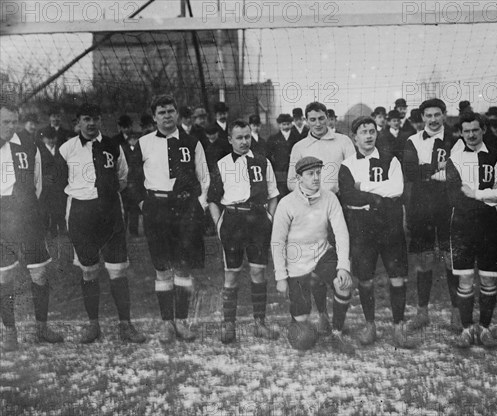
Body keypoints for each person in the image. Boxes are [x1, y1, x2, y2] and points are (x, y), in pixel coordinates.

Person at [60, 103, 145, 344]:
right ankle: (93, 325)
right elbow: (58, 180)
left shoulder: (112, 145)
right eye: (86, 119)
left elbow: (122, 177)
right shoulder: (67, 148)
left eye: (95, 119)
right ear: (78, 121)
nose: (91, 123)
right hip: (80, 213)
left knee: (117, 269)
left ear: (100, 121)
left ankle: (125, 325)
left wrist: (105, 194)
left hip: (109, 212)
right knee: (88, 271)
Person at [130, 95, 210, 344]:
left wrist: (200, 205)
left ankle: (182, 321)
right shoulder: (143, 143)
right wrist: (145, 205)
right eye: (162, 112)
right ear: (154, 116)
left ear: (177, 114)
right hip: (157, 209)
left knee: (183, 266)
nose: (167, 116)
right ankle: (166, 323)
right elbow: (132, 180)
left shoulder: (192, 142)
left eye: (171, 111)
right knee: (162, 268)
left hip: (185, 208)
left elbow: (205, 178)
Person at [338, 117, 414, 348]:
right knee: (366, 278)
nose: (369, 136)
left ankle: (398, 327)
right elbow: (348, 195)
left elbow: (397, 189)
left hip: (390, 225)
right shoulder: (348, 165)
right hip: (362, 228)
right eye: (364, 132)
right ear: (355, 137)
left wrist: (365, 188)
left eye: (372, 131)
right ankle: (370, 325)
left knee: (397, 276)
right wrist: (376, 195)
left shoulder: (390, 160)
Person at [272, 156, 355, 354]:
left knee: (344, 283)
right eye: (310, 174)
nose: (316, 177)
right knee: (303, 340)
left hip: (322, 254)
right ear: (299, 177)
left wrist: (343, 266)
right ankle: (302, 322)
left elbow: (342, 232)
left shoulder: (330, 198)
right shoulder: (286, 204)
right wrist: (281, 277)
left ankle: (336, 333)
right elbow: (277, 242)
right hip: (297, 264)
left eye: (318, 172)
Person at [208, 120, 280, 344]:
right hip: (232, 220)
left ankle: (259, 323)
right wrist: (219, 224)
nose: (244, 141)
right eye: (239, 137)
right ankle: (229, 324)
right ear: (230, 139)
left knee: (258, 272)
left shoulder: (262, 161)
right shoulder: (222, 164)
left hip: (258, 220)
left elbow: (273, 194)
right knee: (232, 273)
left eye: (247, 136)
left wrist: (270, 217)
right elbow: (212, 199)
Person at [0, 103, 64, 352]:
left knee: (39, 272)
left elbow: (37, 182)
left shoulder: (28, 144)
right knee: (4, 275)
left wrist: (27, 207)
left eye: (12, 121)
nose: (10, 127)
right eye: (4, 122)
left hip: (26, 215)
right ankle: (10, 331)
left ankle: (42, 327)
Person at [445, 112, 497, 348]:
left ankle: (484, 328)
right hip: (461, 224)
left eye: (475, 129)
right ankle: (465, 329)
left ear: (483, 129)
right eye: (466, 131)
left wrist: (476, 193)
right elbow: (453, 196)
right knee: (464, 278)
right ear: (461, 133)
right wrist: (487, 195)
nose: (471, 134)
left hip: (489, 224)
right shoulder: (454, 159)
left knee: (488, 279)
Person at [403, 98, 461, 332]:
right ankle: (422, 313)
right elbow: (410, 171)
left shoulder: (456, 141)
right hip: (421, 204)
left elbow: (456, 173)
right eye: (429, 115)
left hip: (448, 203)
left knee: (451, 258)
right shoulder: (412, 140)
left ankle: (457, 313)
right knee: (424, 259)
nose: (433, 119)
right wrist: (436, 169)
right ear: (422, 118)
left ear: (444, 115)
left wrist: (425, 170)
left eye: (437, 115)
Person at [287, 102, 355, 194]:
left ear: (327, 117)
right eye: (313, 120)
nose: (318, 124)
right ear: (306, 121)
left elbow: (354, 172)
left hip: (339, 198)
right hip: (310, 200)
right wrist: (310, 192)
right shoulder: (299, 147)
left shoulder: (344, 141)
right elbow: (291, 181)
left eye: (321, 118)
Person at [37, 129, 68, 238]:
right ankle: (45, 229)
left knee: (59, 208)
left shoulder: (61, 151)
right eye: (47, 138)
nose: (50, 140)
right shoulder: (39, 151)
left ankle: (57, 228)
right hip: (45, 187)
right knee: (44, 209)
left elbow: (65, 168)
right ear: (43, 138)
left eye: (53, 137)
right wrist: (42, 179)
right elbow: (36, 169)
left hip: (59, 186)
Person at [266, 113, 300, 199]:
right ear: (279, 125)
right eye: (283, 124)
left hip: (294, 171)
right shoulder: (273, 139)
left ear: (291, 124)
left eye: (288, 124)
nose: (285, 126)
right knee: (281, 195)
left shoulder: (297, 138)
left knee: (294, 195)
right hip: (279, 172)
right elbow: (268, 155)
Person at [119, 132, 141, 236]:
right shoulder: (123, 149)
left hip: (135, 184)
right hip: (126, 184)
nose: (135, 141)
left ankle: (134, 230)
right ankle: (123, 229)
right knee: (125, 209)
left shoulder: (139, 150)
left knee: (134, 210)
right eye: (134, 139)